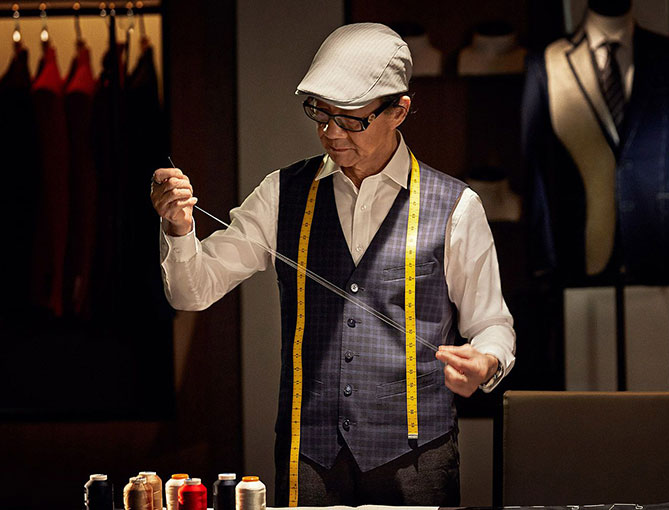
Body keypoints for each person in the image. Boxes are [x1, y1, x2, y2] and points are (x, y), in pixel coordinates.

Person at [150, 23, 515, 506]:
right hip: (309, 457)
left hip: (419, 459)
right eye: (320, 114)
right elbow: (192, 292)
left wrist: (485, 362)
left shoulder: (456, 206)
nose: (330, 133)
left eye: (350, 119)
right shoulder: (282, 193)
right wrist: (179, 228)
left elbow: (492, 324)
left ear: (398, 110)